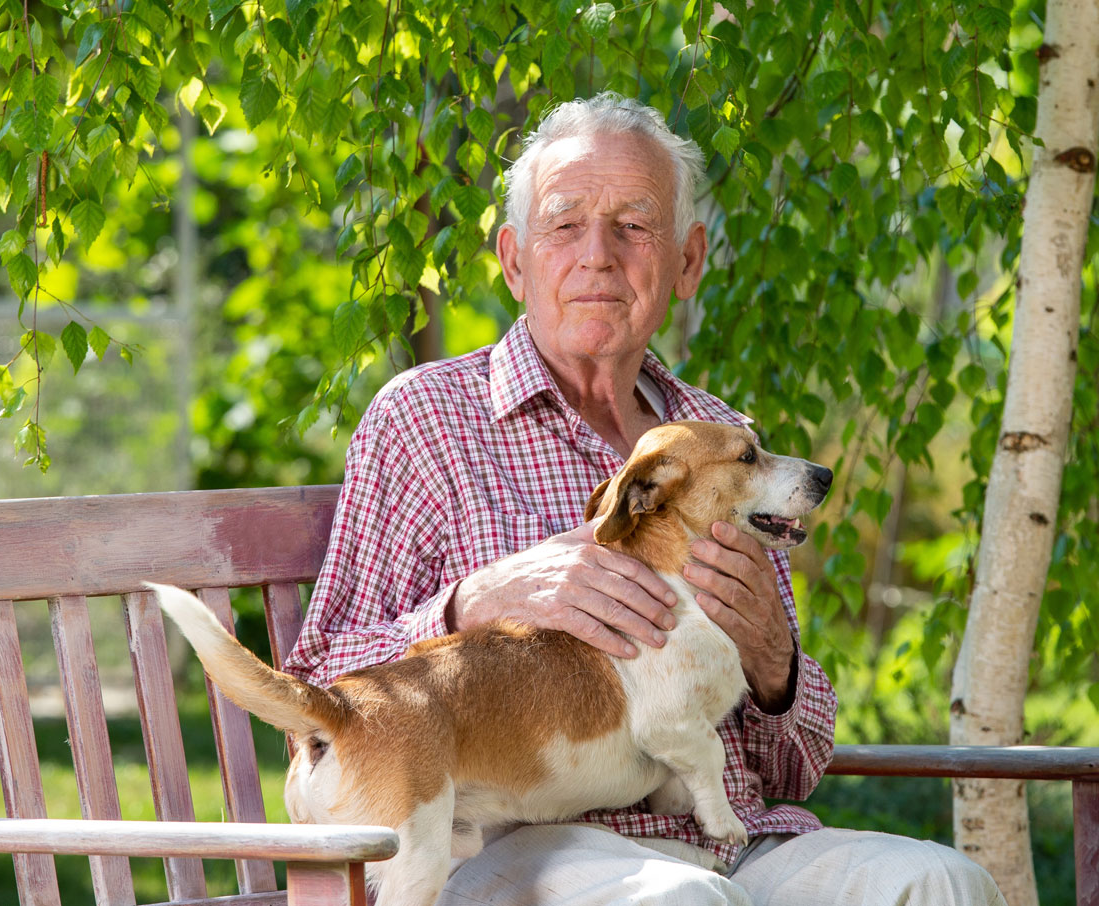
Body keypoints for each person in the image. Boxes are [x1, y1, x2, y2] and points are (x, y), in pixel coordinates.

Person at [283, 93, 1004, 906]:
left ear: (687, 261)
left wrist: (773, 658)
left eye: (634, 225)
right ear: (514, 260)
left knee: (941, 881)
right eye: (564, 224)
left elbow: (797, 767)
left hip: (732, 836)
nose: (597, 255)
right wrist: (467, 605)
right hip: (525, 841)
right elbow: (316, 698)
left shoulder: (725, 444)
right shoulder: (427, 420)